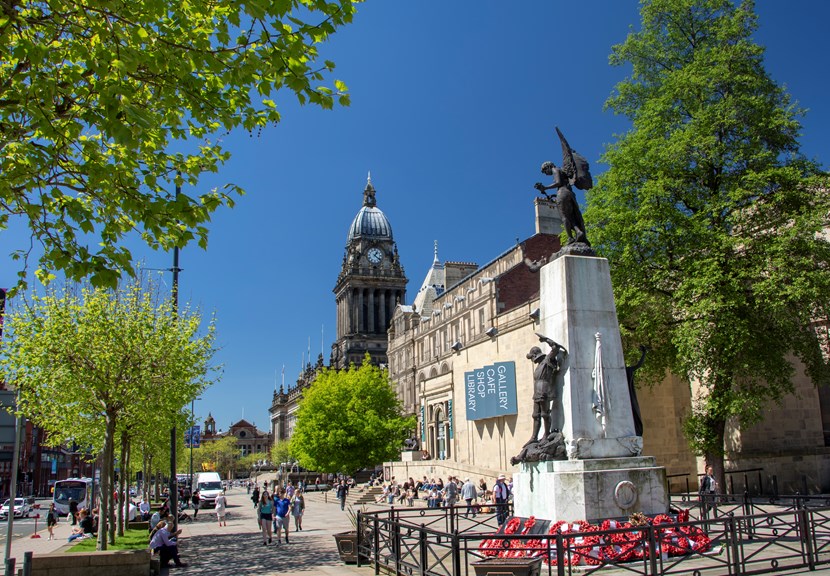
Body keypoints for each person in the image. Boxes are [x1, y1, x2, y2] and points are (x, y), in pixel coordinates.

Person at [526, 334, 567, 446]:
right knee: (535, 414)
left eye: (532, 357)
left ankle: (546, 434)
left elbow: (556, 348)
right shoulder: (539, 365)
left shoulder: (547, 360)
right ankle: (534, 437)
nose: (532, 360)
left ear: (535, 355)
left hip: (544, 389)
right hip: (537, 391)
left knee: (545, 414)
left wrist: (546, 340)